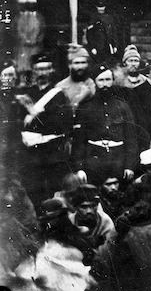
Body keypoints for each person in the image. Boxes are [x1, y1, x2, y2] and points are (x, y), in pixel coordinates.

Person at [13, 54, 73, 209]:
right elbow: (18, 122)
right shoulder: (26, 94)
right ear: (33, 71)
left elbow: (60, 123)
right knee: (32, 188)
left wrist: (35, 113)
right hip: (30, 151)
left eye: (46, 68)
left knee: (53, 187)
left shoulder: (59, 95)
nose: (42, 72)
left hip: (51, 150)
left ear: (51, 70)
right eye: (38, 69)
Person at [74, 65, 139, 184]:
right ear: (94, 82)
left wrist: (130, 166)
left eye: (108, 80)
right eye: (101, 80)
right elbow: (79, 141)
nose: (105, 84)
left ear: (113, 81)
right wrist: (80, 168)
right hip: (94, 161)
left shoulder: (123, 106)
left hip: (118, 161)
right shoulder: (85, 107)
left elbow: (131, 139)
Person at [67, 184, 116, 257]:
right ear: (76, 207)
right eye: (84, 207)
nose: (89, 211)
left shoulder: (105, 222)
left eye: (93, 206)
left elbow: (110, 250)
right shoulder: (70, 221)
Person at [14, 0, 46, 86]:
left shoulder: (39, 16)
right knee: (23, 64)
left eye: (33, 4)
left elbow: (43, 30)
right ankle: (23, 81)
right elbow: (16, 30)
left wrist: (37, 40)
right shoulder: (19, 17)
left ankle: (35, 81)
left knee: (34, 63)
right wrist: (23, 40)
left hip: (35, 45)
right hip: (23, 46)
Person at [56, 45, 96, 113]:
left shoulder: (92, 83)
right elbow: (61, 113)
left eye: (83, 63)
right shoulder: (61, 86)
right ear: (69, 65)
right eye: (76, 63)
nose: (80, 67)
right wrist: (81, 97)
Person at [85, 0, 118, 64]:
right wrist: (92, 47)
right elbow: (89, 34)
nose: (101, 9)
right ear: (96, 7)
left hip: (108, 46)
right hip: (97, 47)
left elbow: (114, 33)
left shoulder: (109, 18)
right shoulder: (93, 18)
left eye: (102, 7)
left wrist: (115, 46)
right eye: (99, 7)